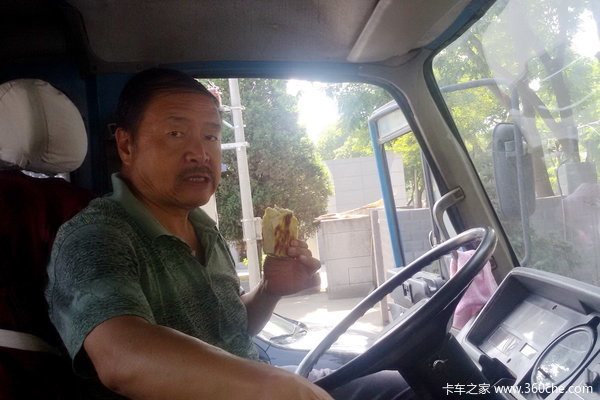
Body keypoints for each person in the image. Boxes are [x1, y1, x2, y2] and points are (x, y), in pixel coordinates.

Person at [46, 68, 409, 399]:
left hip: (259, 379)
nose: (200, 154)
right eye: (176, 133)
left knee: (402, 385)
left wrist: (269, 291)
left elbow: (229, 331)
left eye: (211, 136)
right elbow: (121, 357)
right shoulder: (95, 237)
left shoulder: (203, 229)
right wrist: (274, 386)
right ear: (127, 146)